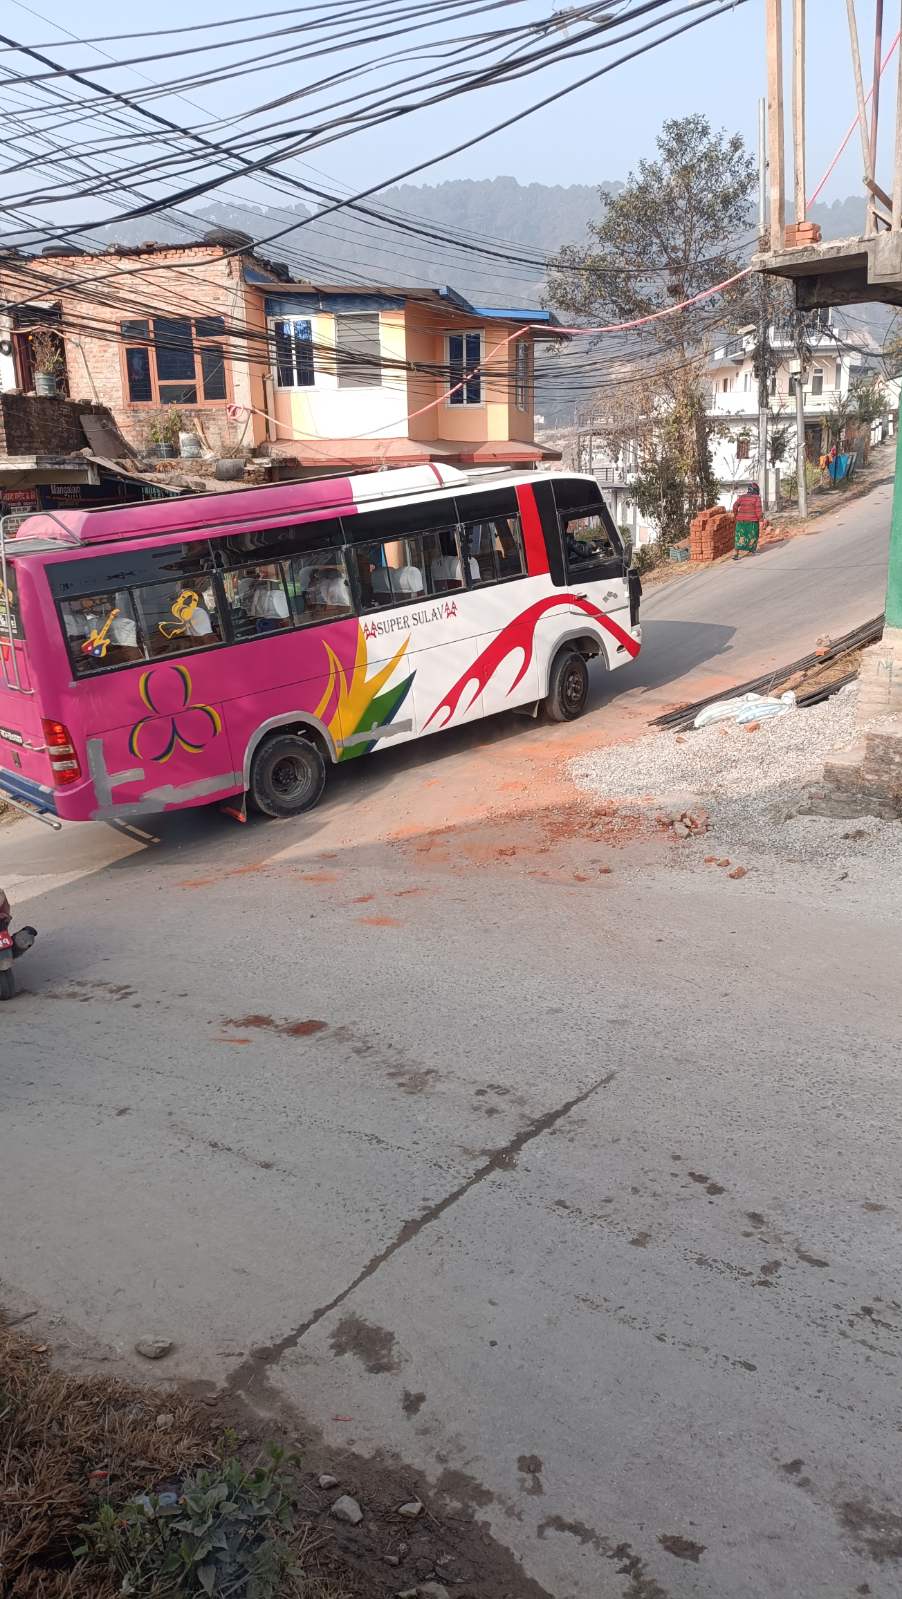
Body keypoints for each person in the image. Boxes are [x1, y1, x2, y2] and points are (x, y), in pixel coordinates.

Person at [732, 483, 763, 559]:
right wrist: (761, 520)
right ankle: (751, 551)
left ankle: (736, 554)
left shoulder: (742, 497)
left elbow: (734, 506)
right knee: (753, 535)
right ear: (756, 490)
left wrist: (736, 515)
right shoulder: (757, 498)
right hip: (752, 521)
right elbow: (758, 510)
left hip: (740, 521)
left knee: (739, 536)